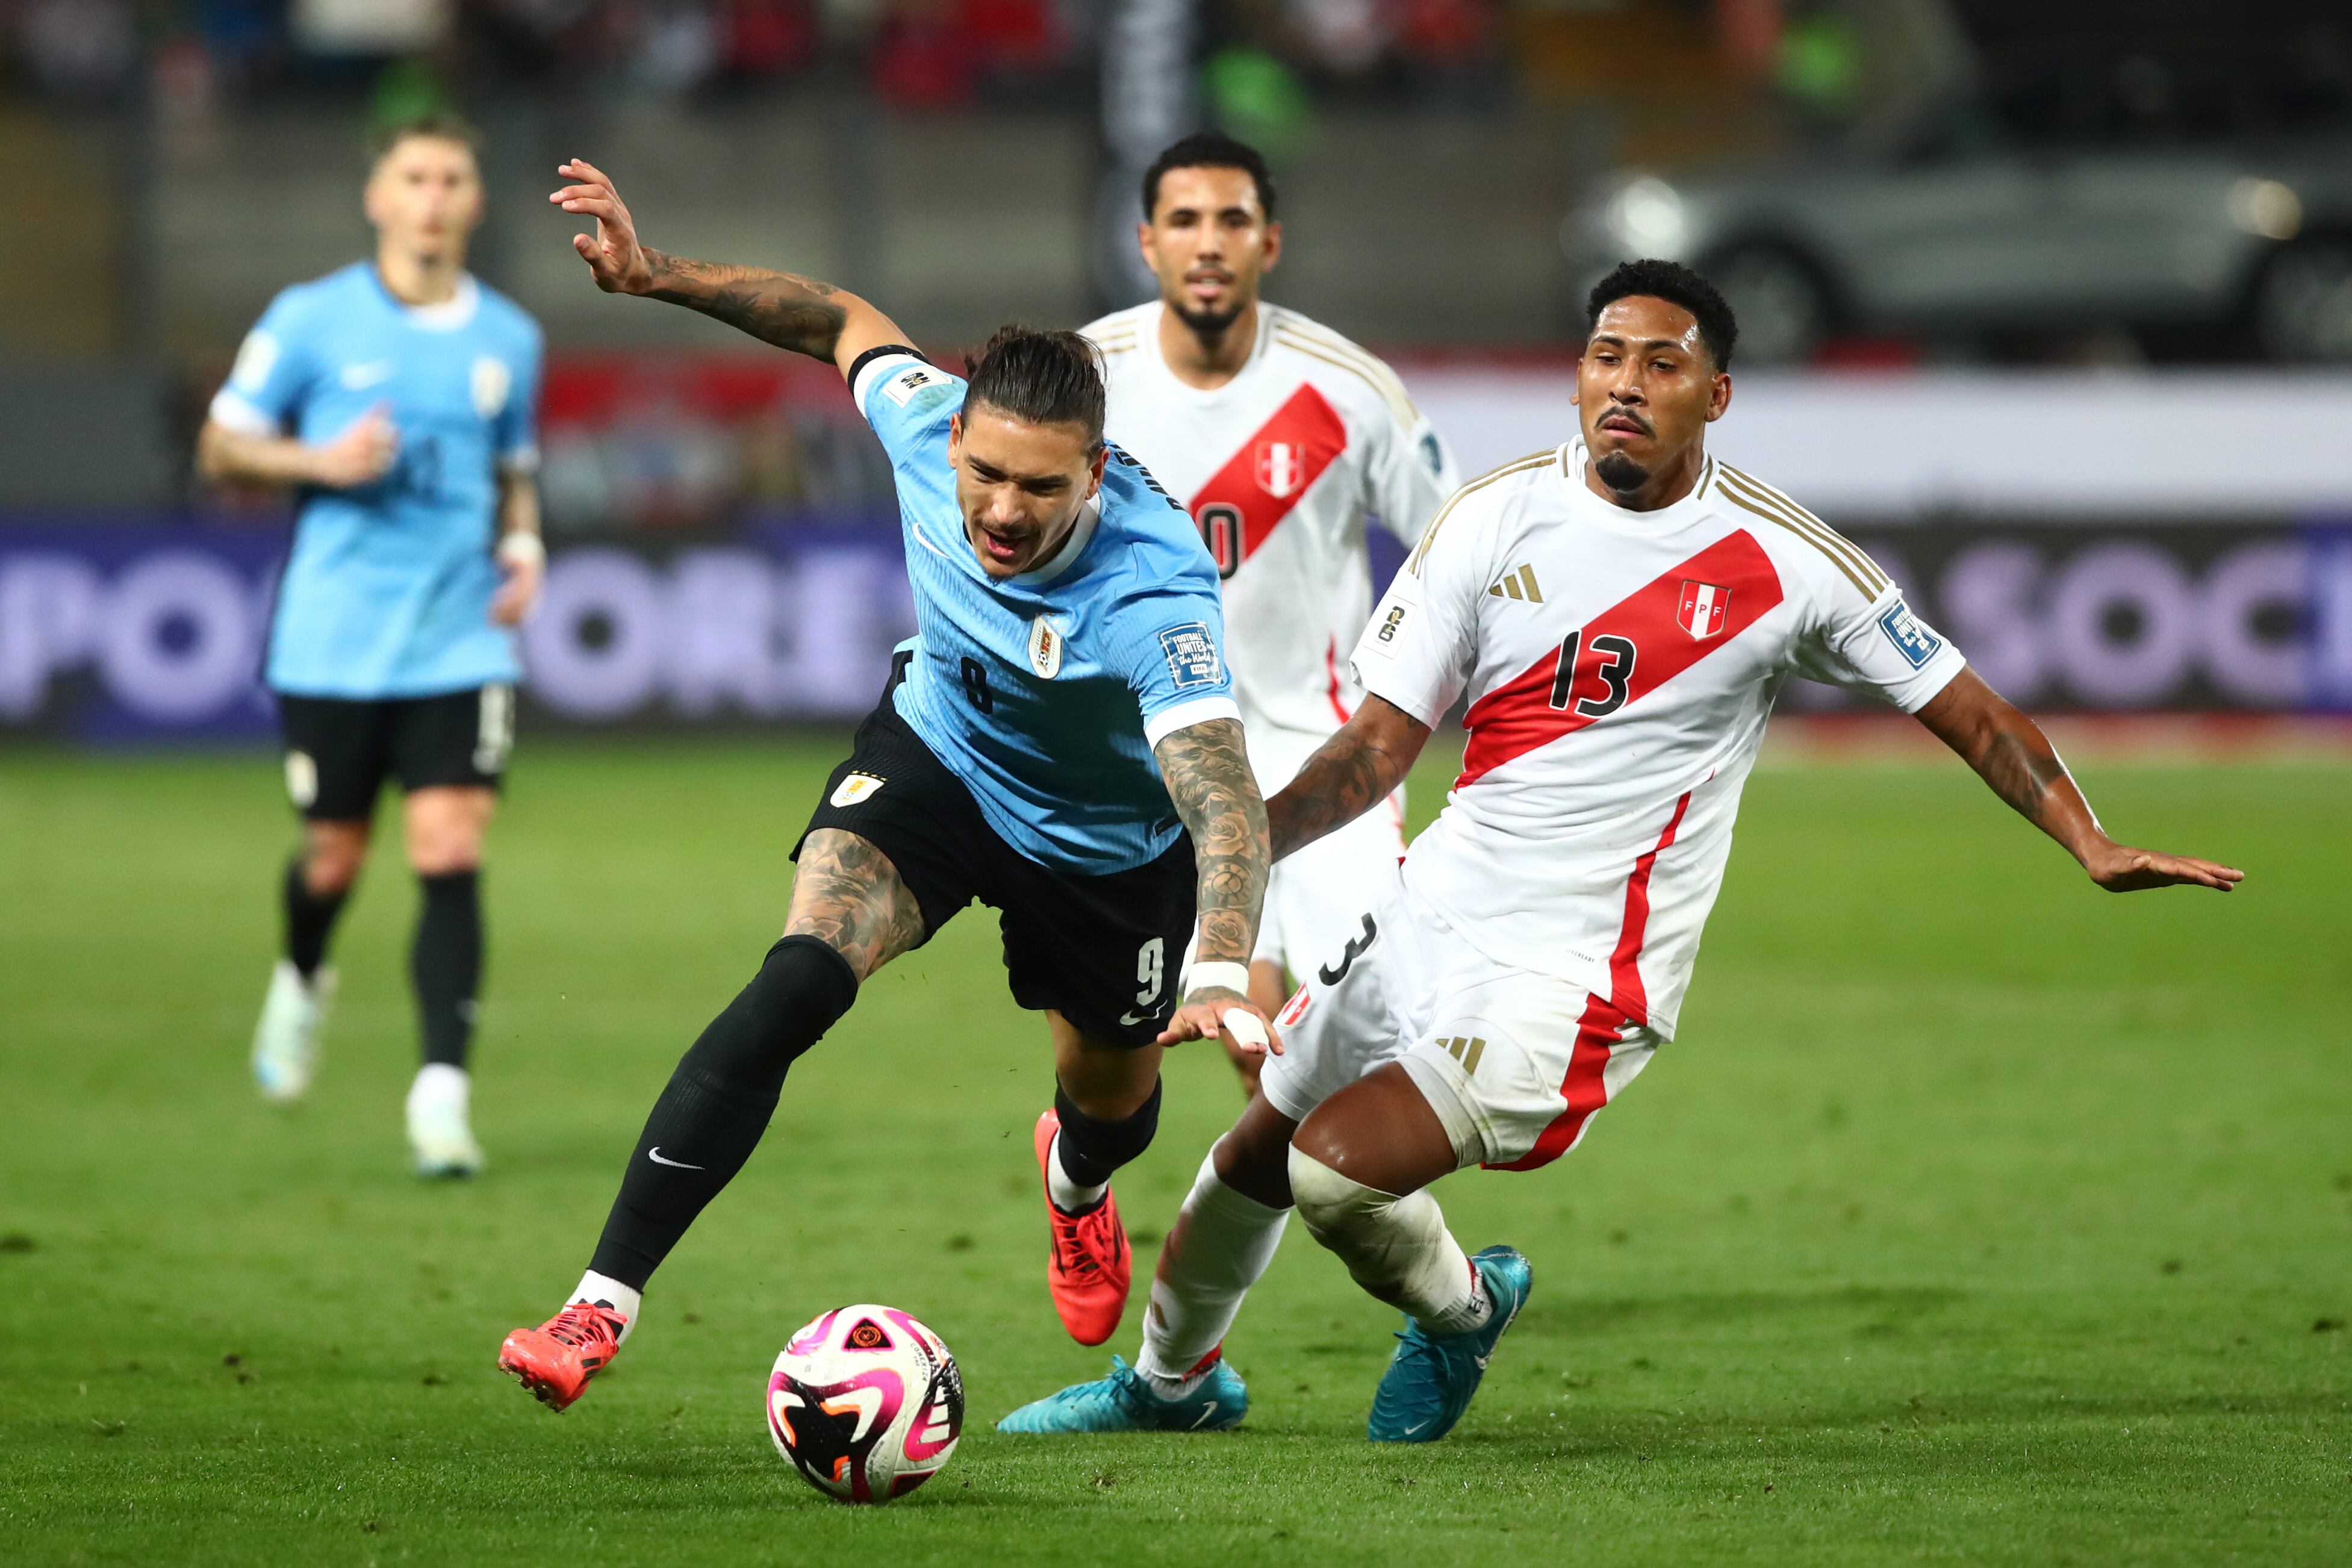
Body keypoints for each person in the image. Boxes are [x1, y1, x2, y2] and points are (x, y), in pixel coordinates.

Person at [1000, 259, 2242, 1442]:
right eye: (1606, 357)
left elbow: (1966, 706)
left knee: (1335, 1179)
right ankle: (1171, 1388)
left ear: (1717, 396)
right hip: (1430, 908)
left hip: (1578, 974)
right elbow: (1376, 750)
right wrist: (1233, 853)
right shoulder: (1493, 518)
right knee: (1254, 1152)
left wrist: (2089, 839)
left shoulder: (1784, 561)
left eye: (1663, 364)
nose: (1627, 384)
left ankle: (1464, 1313)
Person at [497, 158, 1282, 1411]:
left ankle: (1075, 1185)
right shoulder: (924, 421)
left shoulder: (1153, 585)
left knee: (1112, 1105)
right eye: (986, 473)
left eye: (1041, 486)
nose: (1003, 511)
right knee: (801, 973)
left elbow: (1222, 794)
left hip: (1107, 850)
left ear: (1095, 472)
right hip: (943, 761)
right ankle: (598, 1306)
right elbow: (842, 319)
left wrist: (1225, 961)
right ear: (958, 434)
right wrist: (656, 276)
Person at [199, 113, 546, 1178]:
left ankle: (440, 1098)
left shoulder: (511, 337)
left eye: (453, 178)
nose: (434, 197)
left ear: (475, 202)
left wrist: (525, 541)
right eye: (414, 177)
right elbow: (222, 445)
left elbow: (513, 464)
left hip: (457, 638)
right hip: (334, 642)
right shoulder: (310, 320)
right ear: (379, 198)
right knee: (333, 856)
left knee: (448, 848)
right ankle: (302, 979)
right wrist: (318, 460)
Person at [1081, 132, 1458, 1093]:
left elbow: (1459, 551)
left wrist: (1401, 688)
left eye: (1232, 221)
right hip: (1156, 761)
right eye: (1185, 220)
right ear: (1146, 242)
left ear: (1269, 244)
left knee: (1364, 1056)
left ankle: (1430, 1252)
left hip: (1321, 760)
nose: (1208, 243)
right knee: (1212, 1062)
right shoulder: (1087, 381)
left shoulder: (1348, 388)